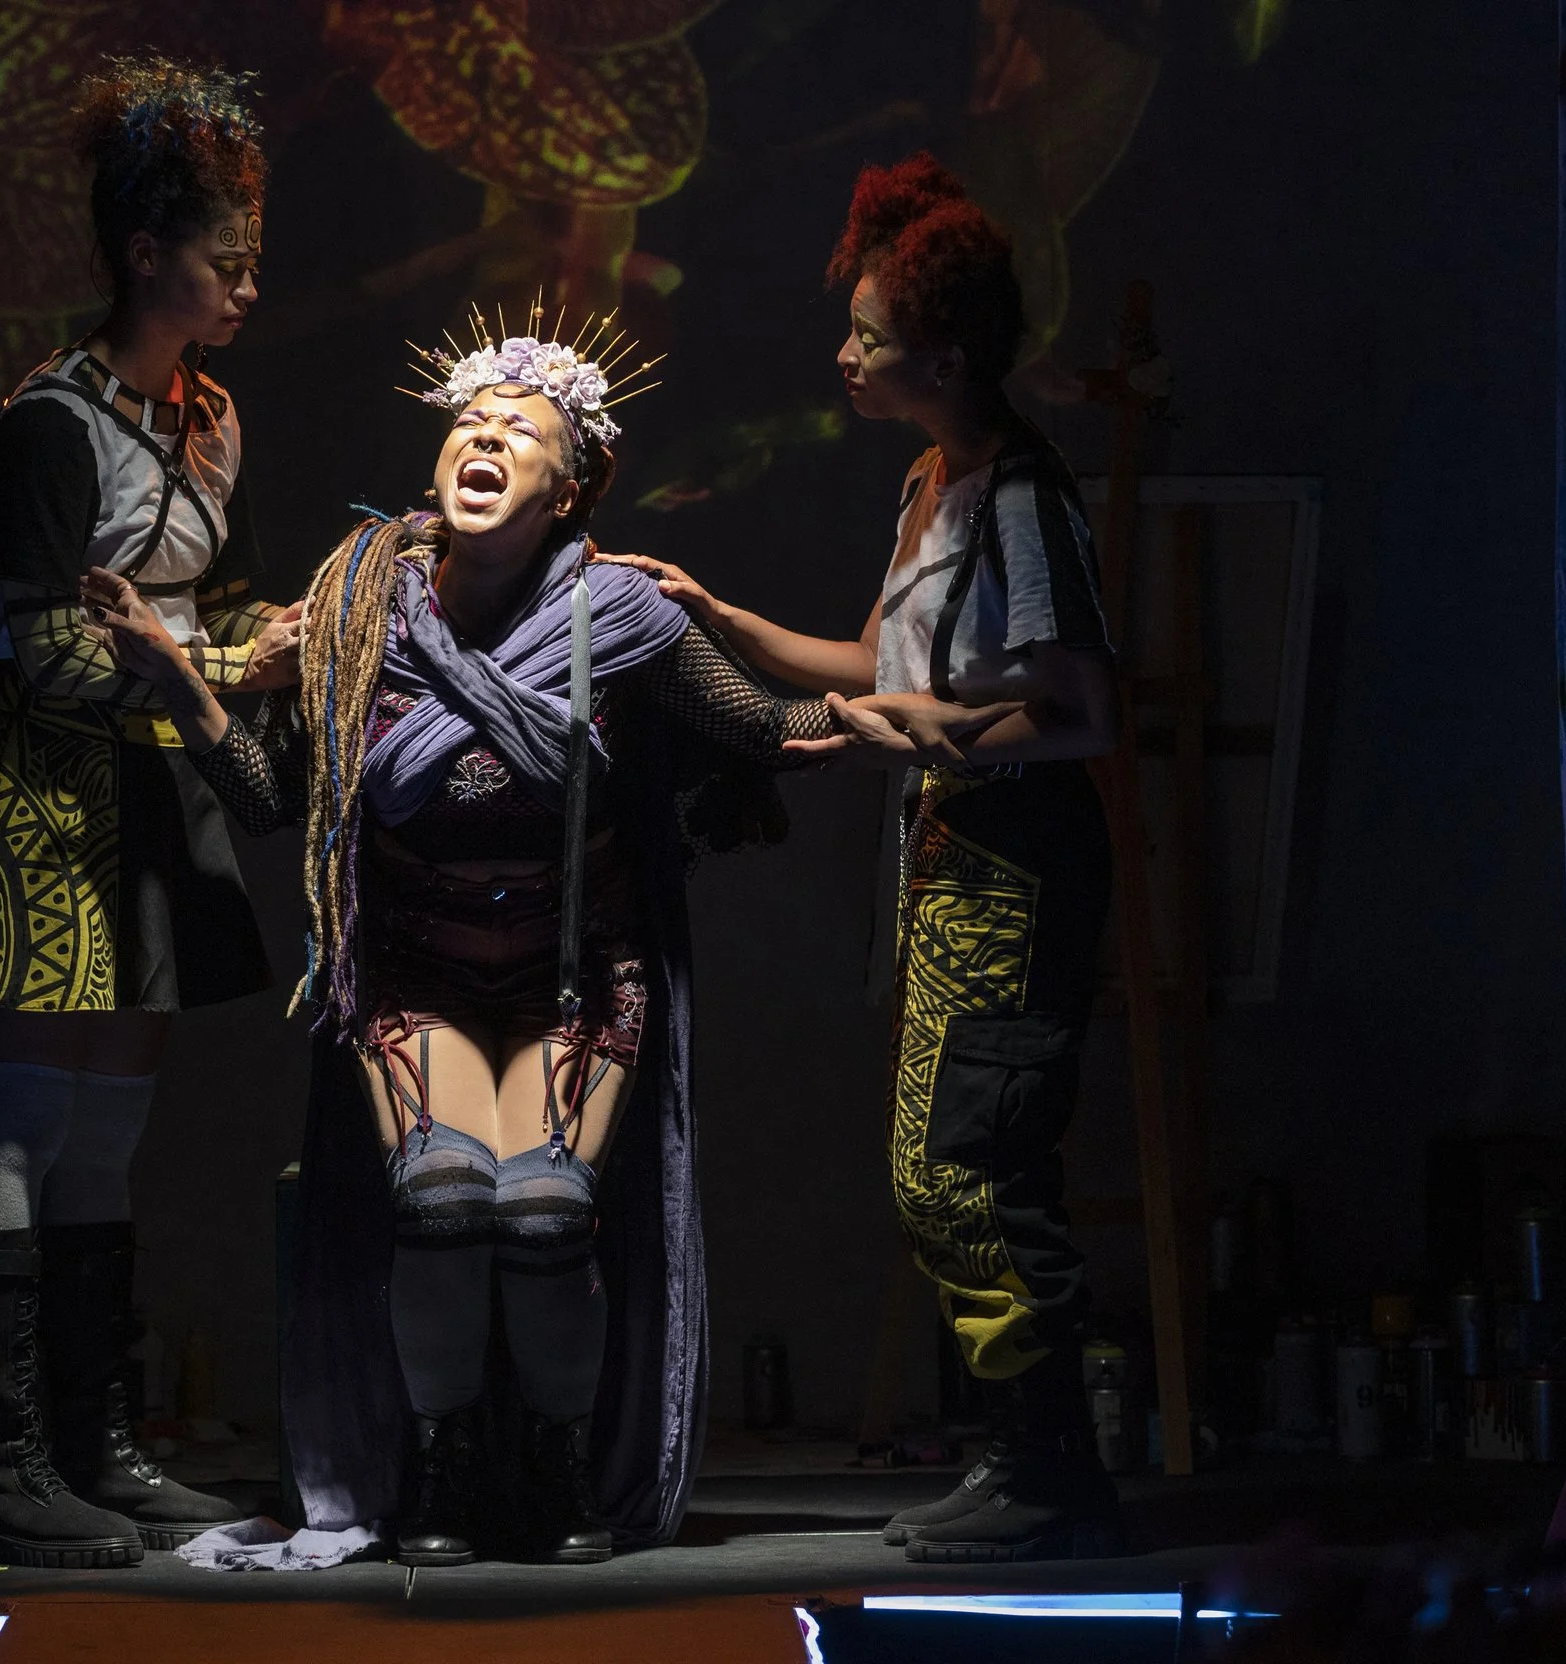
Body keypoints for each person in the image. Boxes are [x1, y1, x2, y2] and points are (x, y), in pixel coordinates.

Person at [85, 315, 832, 1563]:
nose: (484, 437)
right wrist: (174, 673)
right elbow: (271, 802)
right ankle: (437, 1465)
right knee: (439, 1201)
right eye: (468, 422)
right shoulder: (358, 601)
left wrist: (911, 709)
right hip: (415, 965)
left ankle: (553, 1464)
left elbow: (766, 726)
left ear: (570, 485)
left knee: (541, 1212)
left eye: (519, 429)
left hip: (572, 970)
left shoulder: (619, 614)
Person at [602, 153, 1123, 1562]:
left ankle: (1053, 1473)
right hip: (952, 854)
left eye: (869, 335)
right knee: (935, 1166)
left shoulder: (1020, 497)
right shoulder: (928, 482)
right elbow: (872, 663)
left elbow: (1082, 713)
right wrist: (715, 614)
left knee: (967, 1165)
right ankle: (1026, 1461)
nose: (844, 354)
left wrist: (945, 735)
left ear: (943, 357)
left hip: (1017, 862)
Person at [0, 56, 300, 1569]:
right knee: (23, 1117)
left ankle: (96, 1445)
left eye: (251, 259)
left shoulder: (211, 417)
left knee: (108, 1138)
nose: (245, 285)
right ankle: (7, 1468)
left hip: (153, 788)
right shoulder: (47, 427)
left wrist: (251, 634)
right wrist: (222, 663)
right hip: (44, 800)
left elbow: (210, 603)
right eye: (222, 259)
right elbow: (56, 653)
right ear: (142, 253)